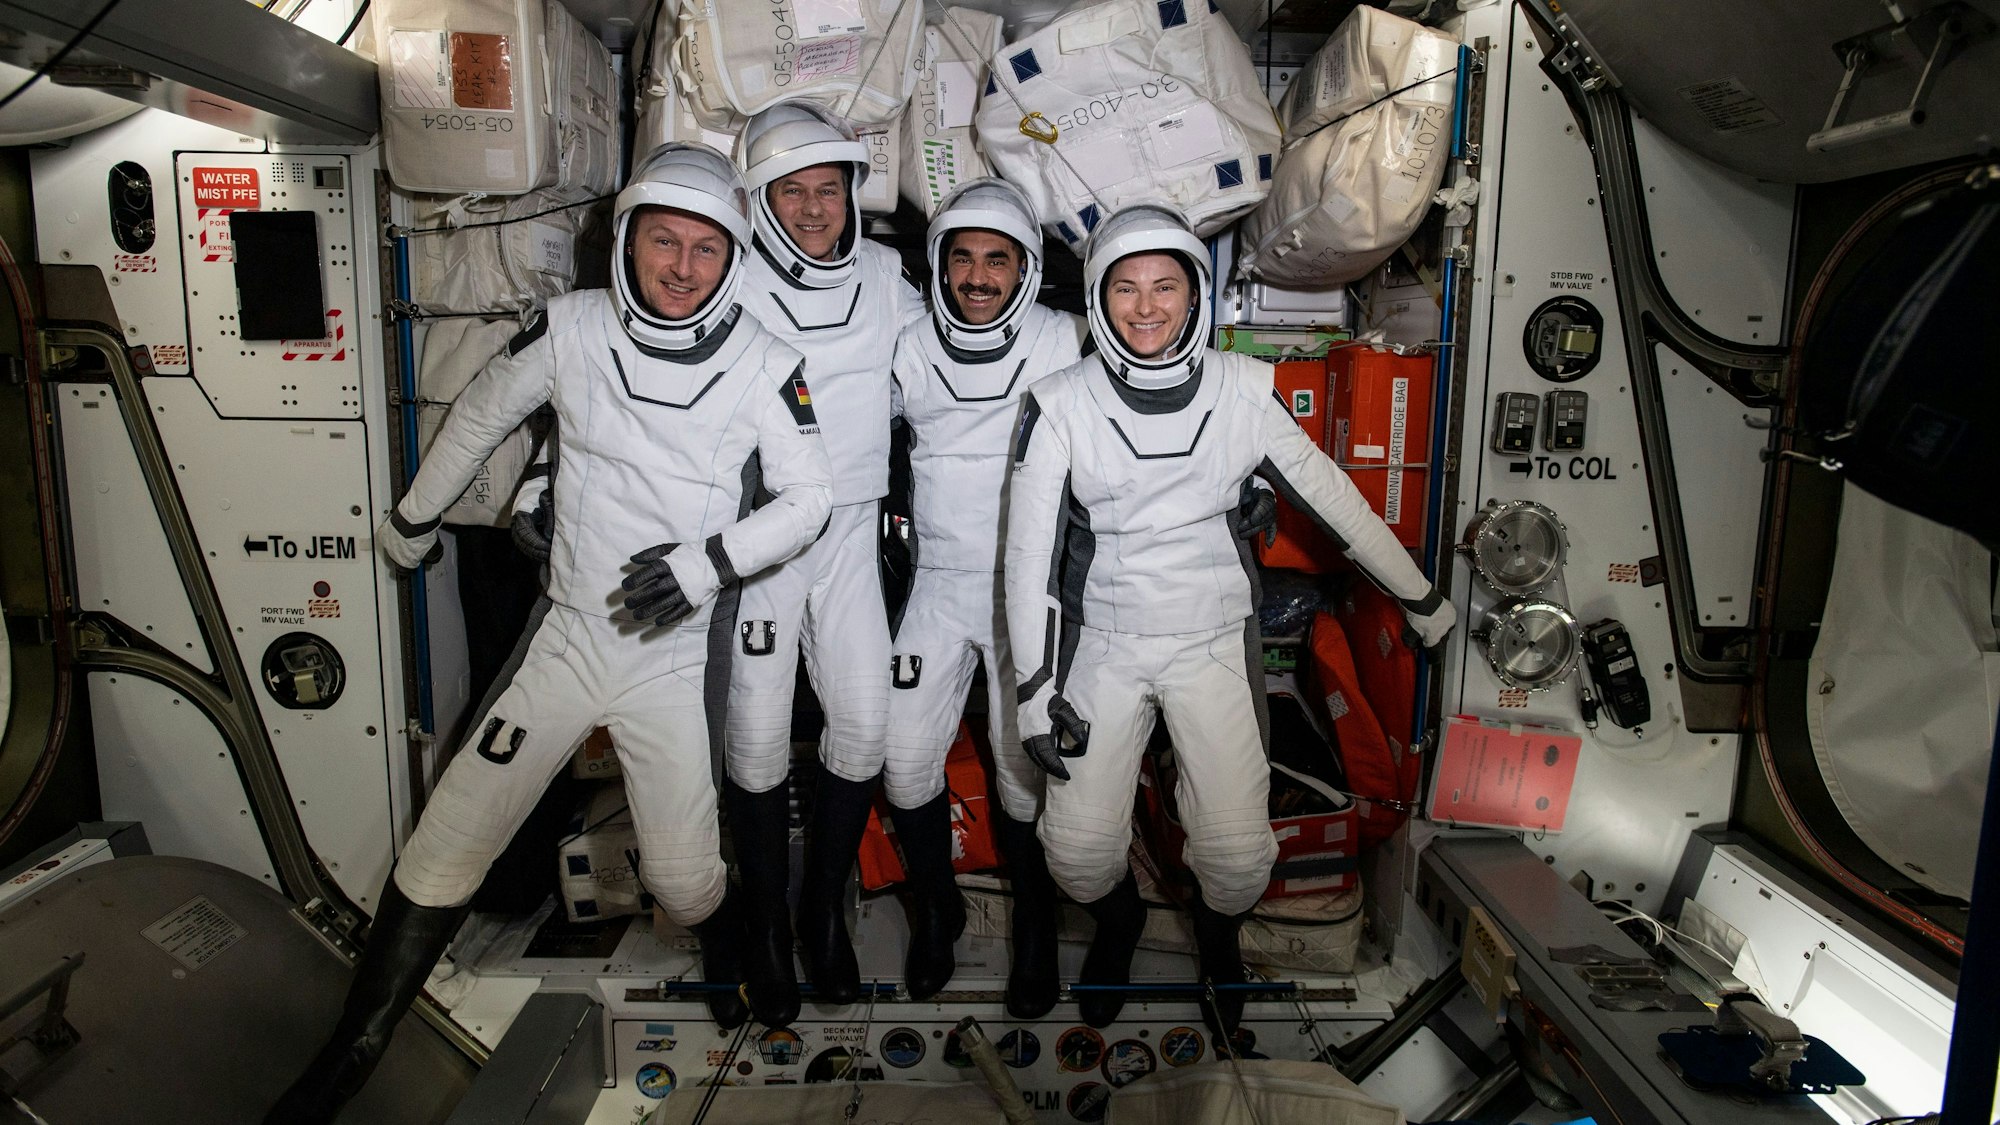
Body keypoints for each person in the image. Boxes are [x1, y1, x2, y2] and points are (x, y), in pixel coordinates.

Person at [265, 143, 831, 1124]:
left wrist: (703, 566)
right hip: (568, 634)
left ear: (732, 258)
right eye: (664, 241)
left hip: (670, 654)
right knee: (454, 831)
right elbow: (483, 410)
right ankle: (353, 1047)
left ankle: (738, 930)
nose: (682, 267)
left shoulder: (768, 365)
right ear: (628, 241)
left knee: (683, 881)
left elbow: (811, 499)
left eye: (705, 249)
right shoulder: (570, 329)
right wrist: (412, 516)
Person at [1003, 202, 1456, 1035]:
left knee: (1238, 859)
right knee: (1073, 855)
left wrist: (1420, 597)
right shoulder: (1058, 401)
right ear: (1099, 300)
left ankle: (1217, 939)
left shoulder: (1243, 389)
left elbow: (1335, 501)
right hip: (1103, 642)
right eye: (1126, 288)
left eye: (1165, 286)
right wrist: (1035, 690)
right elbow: (1026, 559)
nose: (1145, 307)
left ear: (1194, 293)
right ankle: (1121, 922)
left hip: (1211, 639)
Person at [723, 100, 924, 1022]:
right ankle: (763, 927)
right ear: (760, 200)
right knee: (758, 741)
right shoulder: (725, 282)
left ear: (852, 192)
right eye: (791, 191)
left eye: (827, 189)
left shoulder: (886, 275)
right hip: (766, 539)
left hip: (851, 529)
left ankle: (821, 908)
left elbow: (950, 371)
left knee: (868, 725)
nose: (812, 209)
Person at [884, 178, 1083, 1012]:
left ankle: (1035, 927)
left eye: (997, 259)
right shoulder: (907, 342)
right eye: (960, 256)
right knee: (900, 763)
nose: (976, 276)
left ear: (1027, 269)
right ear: (938, 263)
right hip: (934, 584)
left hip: (1023, 593)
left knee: (1019, 773)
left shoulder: (1067, 339)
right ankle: (940, 910)